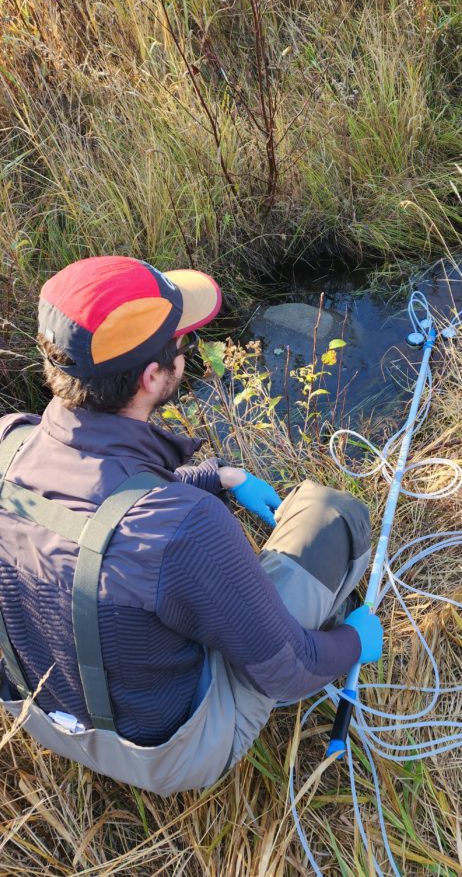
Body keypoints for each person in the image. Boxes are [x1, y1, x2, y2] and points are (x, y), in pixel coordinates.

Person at [0, 256, 382, 796]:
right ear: (154, 376)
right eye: (180, 344)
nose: (186, 351)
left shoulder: (8, 441)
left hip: (39, 717)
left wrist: (217, 477)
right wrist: (353, 642)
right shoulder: (184, 531)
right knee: (331, 513)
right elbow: (290, 671)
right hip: (170, 760)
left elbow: (91, 504)